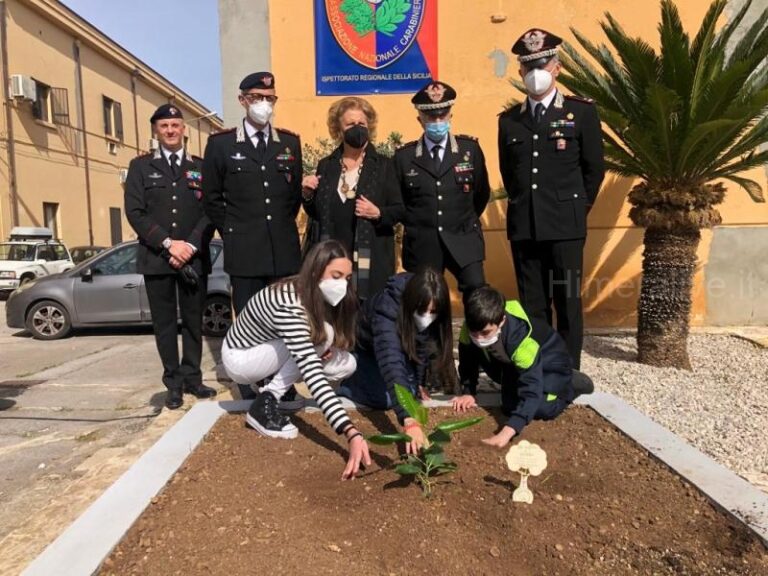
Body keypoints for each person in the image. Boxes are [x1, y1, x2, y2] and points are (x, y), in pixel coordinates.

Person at [498, 29, 605, 369]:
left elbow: (594, 170)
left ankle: (568, 370)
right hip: (525, 227)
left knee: (567, 298)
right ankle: (541, 366)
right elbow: (509, 174)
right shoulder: (510, 121)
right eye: (528, 67)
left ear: (557, 67)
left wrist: (574, 209)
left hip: (565, 229)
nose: (535, 73)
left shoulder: (581, 113)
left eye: (542, 64)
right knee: (533, 303)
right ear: (519, 72)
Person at [221, 240, 371, 479]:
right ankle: (265, 402)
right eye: (335, 275)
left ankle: (282, 391)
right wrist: (351, 432)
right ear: (315, 271)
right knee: (321, 338)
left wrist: (321, 351)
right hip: (241, 357)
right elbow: (311, 371)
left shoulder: (312, 293)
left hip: (269, 351)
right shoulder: (288, 303)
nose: (342, 284)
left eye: (347, 277)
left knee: (347, 362)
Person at [202, 71, 304, 400]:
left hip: (283, 251)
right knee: (249, 321)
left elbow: (292, 199)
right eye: (257, 97)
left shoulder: (289, 143)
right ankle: (255, 383)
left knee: (285, 321)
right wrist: (233, 233)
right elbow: (213, 198)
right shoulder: (221, 145)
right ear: (242, 100)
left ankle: (281, 386)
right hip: (244, 251)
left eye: (269, 98)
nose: (264, 104)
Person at [125, 104, 217, 410]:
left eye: (175, 125)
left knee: (193, 322)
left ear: (183, 129)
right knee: (164, 325)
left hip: (193, 258)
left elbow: (210, 210)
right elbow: (135, 212)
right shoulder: (140, 167)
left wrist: (189, 246)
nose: (170, 130)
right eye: (164, 126)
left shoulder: (201, 167)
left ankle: (193, 378)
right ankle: (173, 384)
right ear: (156, 130)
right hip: (157, 259)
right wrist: (167, 244)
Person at [453, 285, 594, 448]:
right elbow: (467, 361)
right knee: (509, 407)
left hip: (550, 361)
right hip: (512, 365)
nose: (478, 338)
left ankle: (570, 383)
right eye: (474, 332)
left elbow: (531, 390)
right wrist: (469, 392)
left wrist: (507, 431)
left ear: (502, 321)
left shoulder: (522, 344)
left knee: (542, 409)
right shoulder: (471, 326)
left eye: (485, 333)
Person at [394, 81, 491, 307]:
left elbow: (481, 194)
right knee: (426, 304)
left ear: (450, 116)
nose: (437, 122)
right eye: (431, 117)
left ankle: (476, 342)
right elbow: (401, 202)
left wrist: (459, 218)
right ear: (420, 119)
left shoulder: (470, 150)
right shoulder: (404, 157)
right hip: (424, 243)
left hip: (463, 237)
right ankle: (432, 344)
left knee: (478, 297)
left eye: (442, 115)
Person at [338, 269, 454, 455]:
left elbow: (421, 347)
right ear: (411, 302)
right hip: (369, 349)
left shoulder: (425, 314)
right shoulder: (387, 308)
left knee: (409, 391)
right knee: (384, 399)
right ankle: (350, 384)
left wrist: (419, 382)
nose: (427, 316)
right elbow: (391, 361)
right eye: (422, 310)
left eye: (433, 312)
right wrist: (408, 419)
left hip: (399, 346)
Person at [301, 96, 404, 300]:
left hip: (370, 261)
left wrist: (379, 213)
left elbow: (400, 209)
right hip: (332, 260)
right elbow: (317, 213)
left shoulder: (384, 165)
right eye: (350, 124)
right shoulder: (326, 165)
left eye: (361, 123)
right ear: (338, 129)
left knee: (365, 322)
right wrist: (307, 194)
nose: (357, 128)